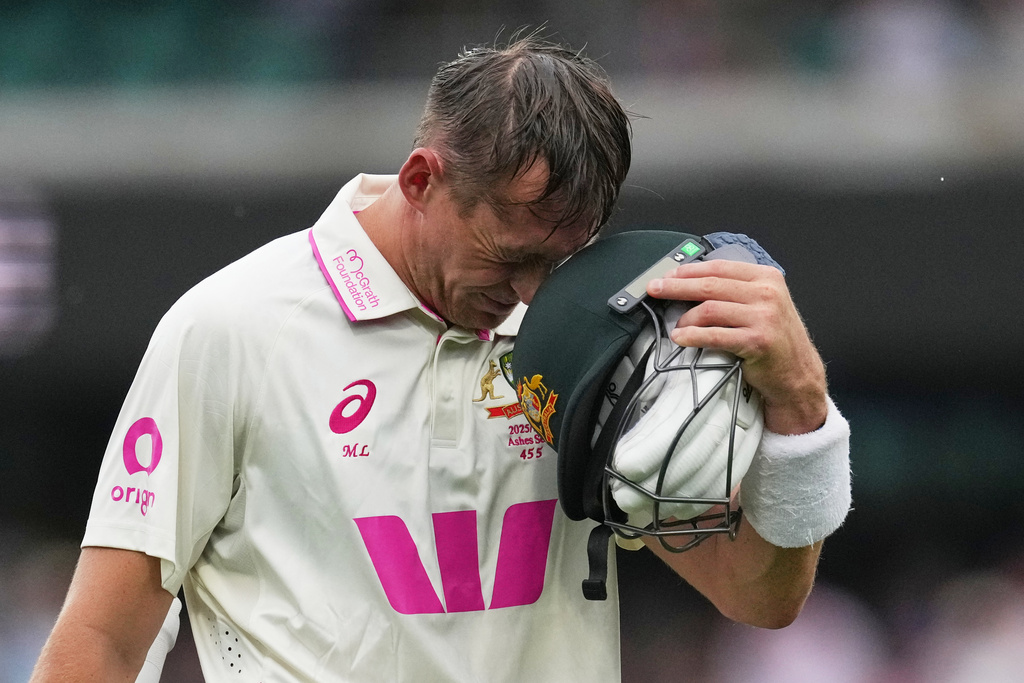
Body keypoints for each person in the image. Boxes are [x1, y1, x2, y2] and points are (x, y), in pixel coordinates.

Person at [30, 35, 848, 682]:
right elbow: (103, 638)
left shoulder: (598, 340)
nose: (536, 296)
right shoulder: (231, 328)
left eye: (560, 264)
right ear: (422, 178)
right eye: (510, 256)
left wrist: (801, 407)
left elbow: (760, 593)